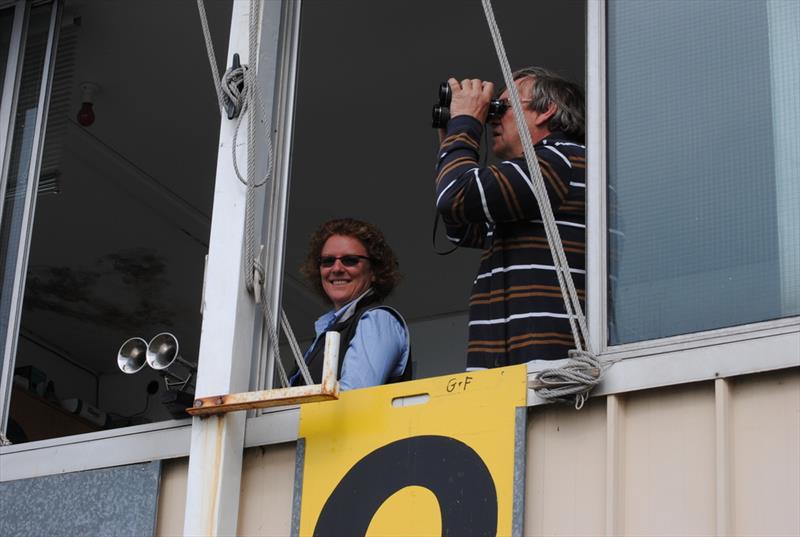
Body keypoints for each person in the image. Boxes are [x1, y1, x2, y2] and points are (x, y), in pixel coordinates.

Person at [434, 67, 586, 370]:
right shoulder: (538, 176)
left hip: (545, 373)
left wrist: (464, 125)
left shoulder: (559, 160)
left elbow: (454, 198)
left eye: (500, 107)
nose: (491, 118)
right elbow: (462, 226)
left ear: (547, 111)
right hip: (519, 373)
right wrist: (453, 136)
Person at [290, 218, 411, 390]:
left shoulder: (377, 319)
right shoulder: (326, 330)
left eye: (350, 260)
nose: (337, 268)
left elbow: (354, 397)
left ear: (374, 271)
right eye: (328, 261)